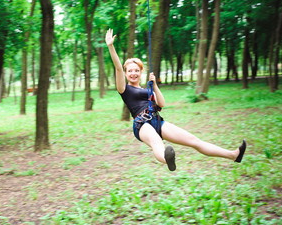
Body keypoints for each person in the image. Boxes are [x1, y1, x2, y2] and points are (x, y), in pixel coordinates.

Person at [105, 28, 246, 171]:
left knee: (194, 141)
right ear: (126, 73)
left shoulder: (146, 89)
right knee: (156, 141)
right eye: (130, 71)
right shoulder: (124, 89)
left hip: (157, 121)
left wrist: (154, 86)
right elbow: (117, 68)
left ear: (141, 72)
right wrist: (111, 46)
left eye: (136, 70)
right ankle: (167, 159)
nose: (133, 73)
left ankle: (233, 155)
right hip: (142, 124)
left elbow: (162, 103)